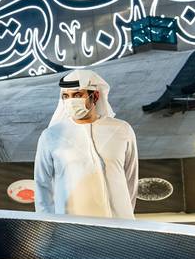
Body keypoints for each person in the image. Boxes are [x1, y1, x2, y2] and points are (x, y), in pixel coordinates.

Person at [34, 69, 138, 218]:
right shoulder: (51, 136)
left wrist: (126, 214)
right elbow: (42, 186)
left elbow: (131, 179)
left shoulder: (122, 130)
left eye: (77, 95)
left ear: (95, 96)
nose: (70, 101)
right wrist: (49, 224)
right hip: (72, 228)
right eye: (66, 96)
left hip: (120, 224)